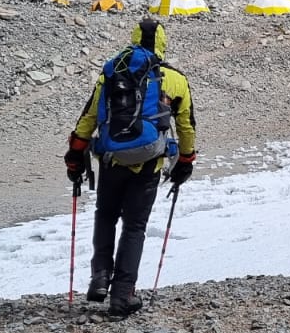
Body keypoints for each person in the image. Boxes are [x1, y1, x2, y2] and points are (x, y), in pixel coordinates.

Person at [66, 19, 197, 316]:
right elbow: (186, 125)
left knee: (106, 216)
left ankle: (100, 278)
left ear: (134, 38)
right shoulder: (175, 80)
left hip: (112, 159)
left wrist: (75, 155)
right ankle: (123, 295)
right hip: (149, 163)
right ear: (162, 44)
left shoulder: (113, 72)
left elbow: (88, 118)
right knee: (134, 226)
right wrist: (185, 161)